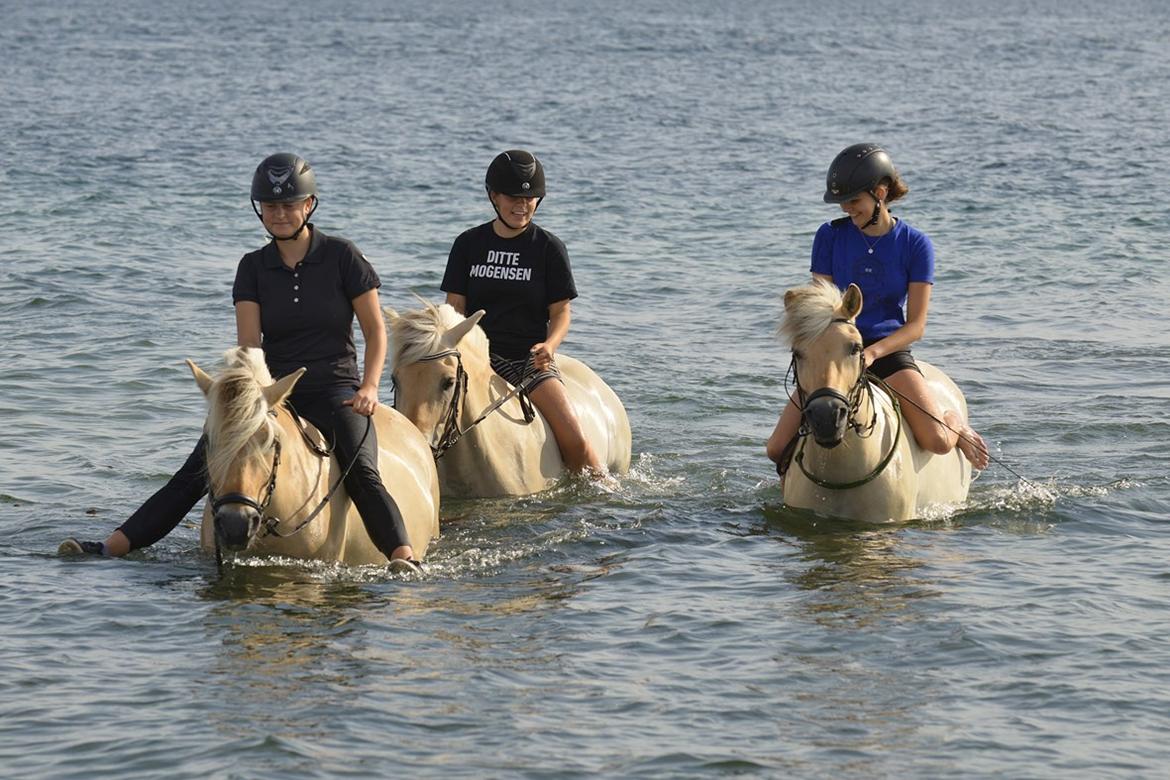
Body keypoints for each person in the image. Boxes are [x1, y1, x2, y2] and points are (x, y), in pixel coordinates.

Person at [60, 153, 420, 570]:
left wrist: (369, 387)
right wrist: (248, 400)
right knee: (195, 470)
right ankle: (111, 547)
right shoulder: (253, 267)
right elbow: (250, 347)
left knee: (362, 470)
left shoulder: (344, 256)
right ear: (259, 209)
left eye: (289, 205)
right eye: (270, 206)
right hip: (270, 394)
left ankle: (402, 556)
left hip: (335, 389)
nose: (280, 214)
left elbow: (376, 331)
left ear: (309, 205)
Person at [767, 143, 989, 476]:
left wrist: (871, 354)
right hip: (834, 354)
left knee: (937, 441)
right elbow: (820, 308)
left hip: (886, 351)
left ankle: (954, 422)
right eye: (843, 202)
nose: (847, 209)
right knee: (776, 448)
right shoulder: (829, 236)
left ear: (880, 193)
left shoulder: (915, 244)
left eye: (854, 201)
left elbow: (916, 326)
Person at [440, 149, 603, 474]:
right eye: (513, 197)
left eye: (530, 198)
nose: (522, 205)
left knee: (576, 439)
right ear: (494, 196)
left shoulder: (548, 248)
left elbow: (560, 313)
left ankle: (602, 493)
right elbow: (454, 309)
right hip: (476, 359)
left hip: (527, 359)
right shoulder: (468, 244)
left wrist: (549, 346)